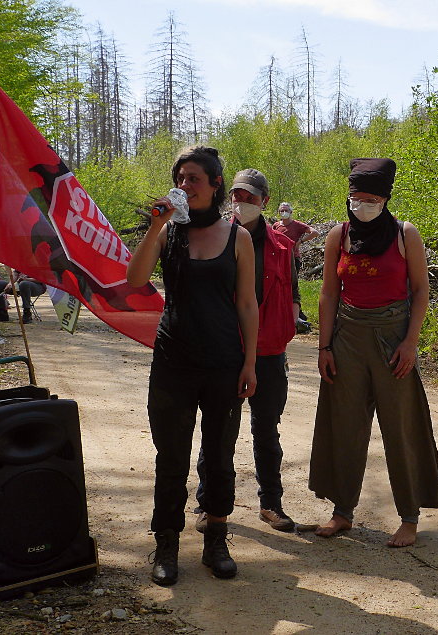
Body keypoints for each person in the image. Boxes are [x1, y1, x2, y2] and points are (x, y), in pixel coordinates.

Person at [127, 146, 258, 586]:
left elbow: (246, 303)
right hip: (173, 361)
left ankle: (215, 539)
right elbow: (136, 279)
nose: (185, 186)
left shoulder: (237, 237)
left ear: (216, 184)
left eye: (194, 179)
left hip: (223, 362)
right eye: (180, 178)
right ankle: (166, 544)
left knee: (219, 456)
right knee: (171, 456)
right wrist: (156, 226)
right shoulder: (168, 234)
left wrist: (251, 363)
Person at [309, 158, 438, 547]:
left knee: (402, 427)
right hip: (347, 337)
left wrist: (410, 343)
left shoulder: (406, 234)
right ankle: (342, 512)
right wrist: (324, 346)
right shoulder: (340, 234)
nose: (363, 205)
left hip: (392, 338)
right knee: (344, 425)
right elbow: (328, 293)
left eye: (371, 198)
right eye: (357, 198)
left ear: (385, 199)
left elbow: (420, 291)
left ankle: (409, 516)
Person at [194, 168, 300, 534]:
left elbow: (294, 296)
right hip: (226, 349)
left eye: (250, 197)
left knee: (266, 431)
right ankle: (208, 501)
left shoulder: (284, 247)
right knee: (219, 429)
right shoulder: (215, 238)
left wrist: (286, 331)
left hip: (270, 352)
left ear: (264, 201)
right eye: (237, 195)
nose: (242, 202)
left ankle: (271, 503)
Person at [272, 202, 319, 274]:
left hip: (293, 257)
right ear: (279, 212)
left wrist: (301, 241)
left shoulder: (297, 225)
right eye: (282, 211)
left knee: (292, 282)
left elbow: (315, 233)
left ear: (290, 212)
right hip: (279, 258)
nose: (284, 212)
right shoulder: (276, 225)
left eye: (286, 210)